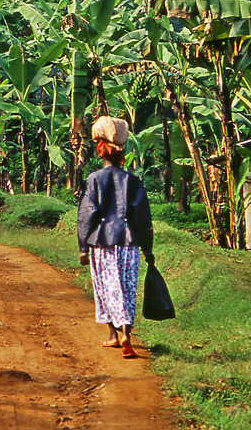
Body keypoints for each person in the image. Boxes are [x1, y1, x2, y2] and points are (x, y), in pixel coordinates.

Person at [77, 115, 154, 359]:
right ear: (122, 154)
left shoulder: (94, 180)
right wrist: (148, 249)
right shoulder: (133, 181)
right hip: (129, 242)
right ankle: (126, 334)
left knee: (106, 288)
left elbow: (86, 215)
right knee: (126, 289)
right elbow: (142, 218)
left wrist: (82, 247)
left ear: (100, 151)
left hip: (102, 243)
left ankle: (113, 335)